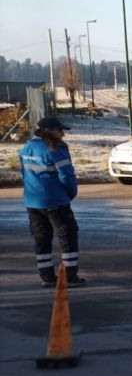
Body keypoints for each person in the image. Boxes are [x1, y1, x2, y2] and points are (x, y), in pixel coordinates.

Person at [19, 116, 84, 287]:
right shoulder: (56, 149)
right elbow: (67, 176)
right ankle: (70, 276)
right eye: (60, 130)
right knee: (67, 236)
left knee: (41, 239)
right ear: (48, 131)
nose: (63, 134)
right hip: (55, 201)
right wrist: (70, 194)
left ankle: (47, 276)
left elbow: (23, 174)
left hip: (32, 203)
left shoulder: (26, 149)